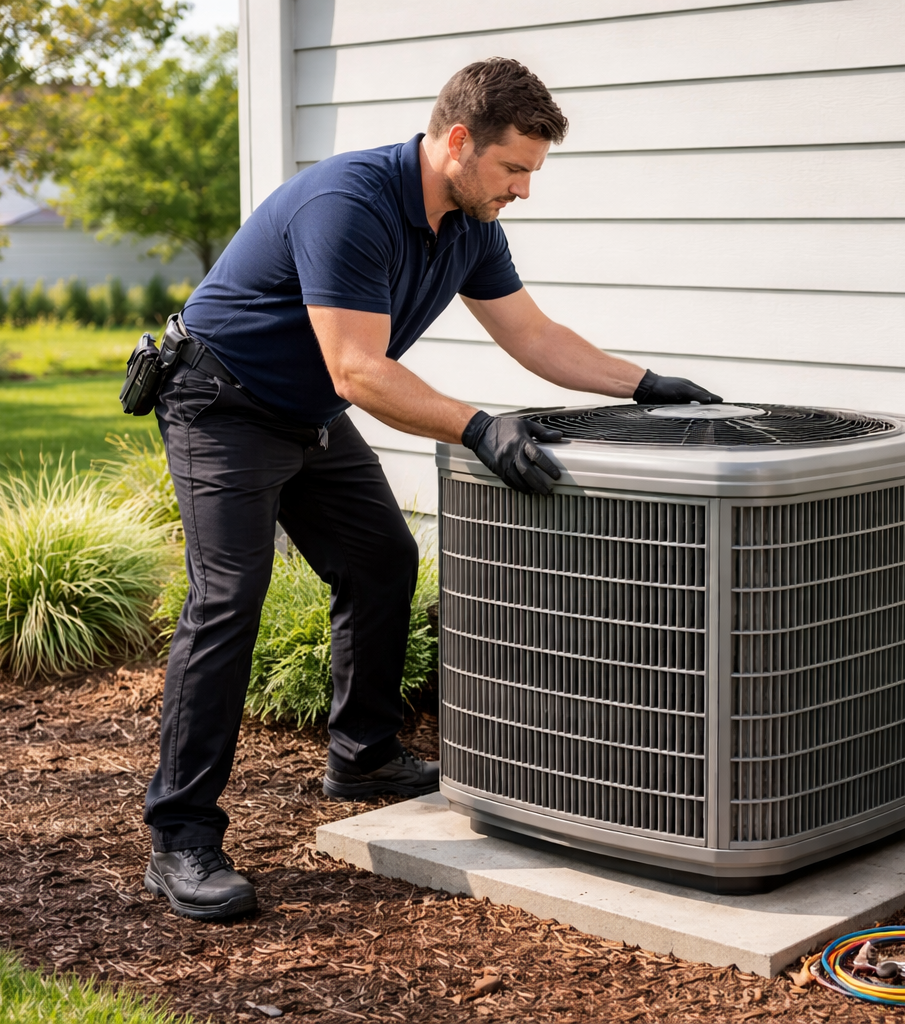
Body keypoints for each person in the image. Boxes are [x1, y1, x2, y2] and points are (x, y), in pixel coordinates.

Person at [140, 58, 723, 920]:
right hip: (221, 401)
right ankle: (181, 837)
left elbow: (532, 334)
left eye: (531, 171)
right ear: (459, 141)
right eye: (514, 168)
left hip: (308, 409)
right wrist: (480, 426)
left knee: (383, 558)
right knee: (229, 599)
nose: (524, 189)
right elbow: (359, 368)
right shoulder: (351, 205)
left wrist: (643, 383)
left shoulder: (470, 221)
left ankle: (363, 755)